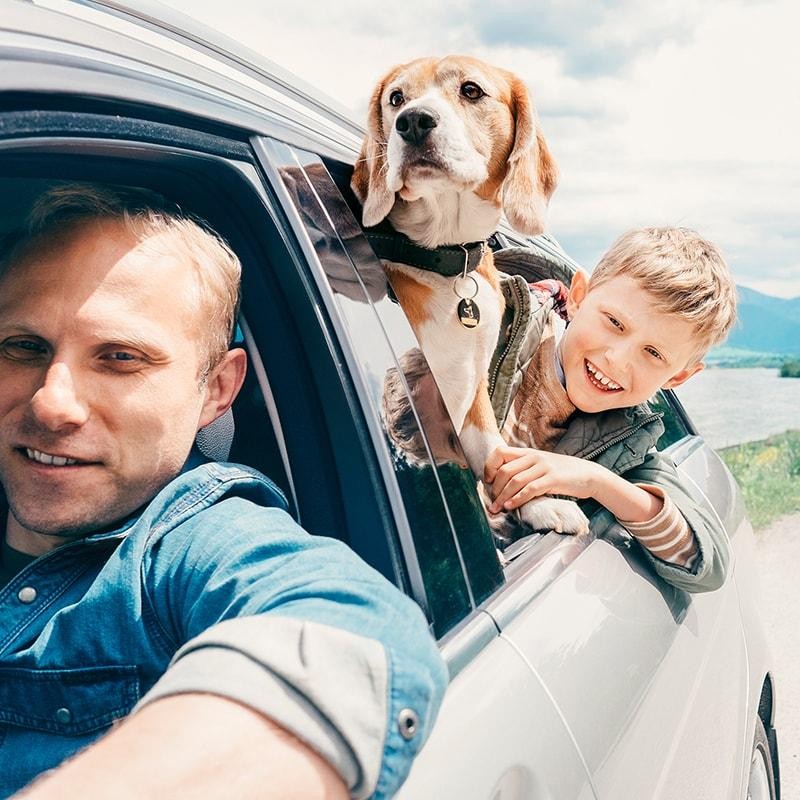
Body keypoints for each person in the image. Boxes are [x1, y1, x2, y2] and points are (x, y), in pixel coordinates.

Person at [0, 183, 447, 799]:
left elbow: (354, 627)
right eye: (24, 347)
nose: (53, 404)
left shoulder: (193, 537)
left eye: (121, 358)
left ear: (216, 389)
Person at [483, 227, 737, 592]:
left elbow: (704, 564)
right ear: (579, 297)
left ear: (678, 376)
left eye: (653, 353)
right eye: (615, 323)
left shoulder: (627, 445)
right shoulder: (492, 327)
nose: (617, 360)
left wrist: (594, 480)